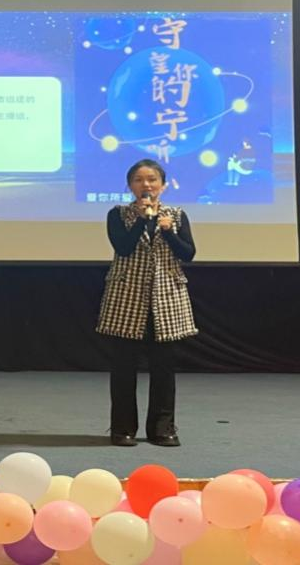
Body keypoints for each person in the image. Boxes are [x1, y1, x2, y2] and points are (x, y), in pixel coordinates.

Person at [96, 159, 197, 447]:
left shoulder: (176, 216)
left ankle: (162, 429)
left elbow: (188, 254)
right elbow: (123, 247)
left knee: (164, 369)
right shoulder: (118, 214)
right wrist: (142, 218)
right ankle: (122, 428)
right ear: (130, 186)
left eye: (152, 179)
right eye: (139, 180)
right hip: (127, 297)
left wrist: (168, 232)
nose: (146, 185)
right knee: (123, 368)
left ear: (163, 185)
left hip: (166, 298)